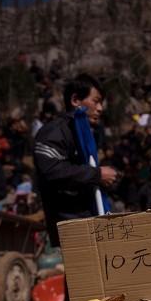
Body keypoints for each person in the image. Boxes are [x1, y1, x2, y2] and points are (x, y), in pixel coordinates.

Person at [33, 73, 117, 248]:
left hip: (87, 218)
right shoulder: (54, 132)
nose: (100, 108)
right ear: (75, 100)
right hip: (70, 223)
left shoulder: (85, 135)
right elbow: (52, 171)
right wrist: (97, 174)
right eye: (96, 101)